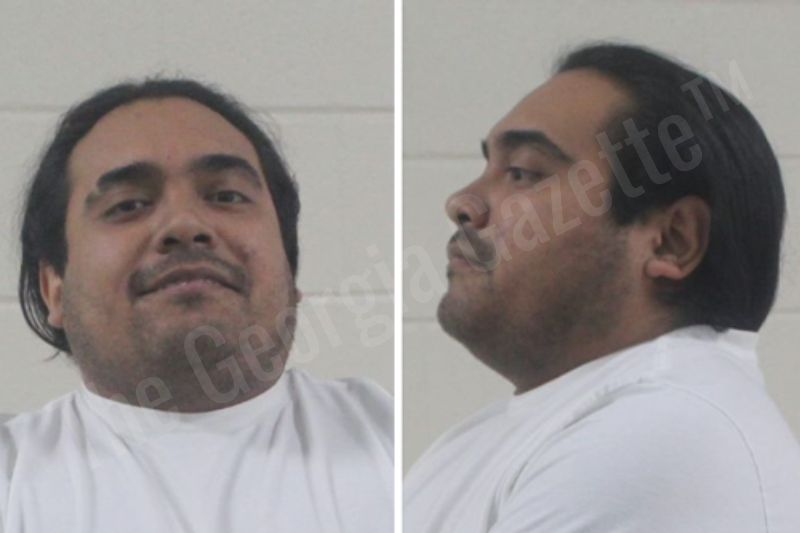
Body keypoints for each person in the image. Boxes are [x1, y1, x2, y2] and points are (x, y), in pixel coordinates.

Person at [405, 43, 800, 532]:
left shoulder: (661, 435)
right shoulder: (500, 437)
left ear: (672, 241)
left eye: (523, 173)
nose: (462, 203)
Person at [0, 79, 392, 532]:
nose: (185, 225)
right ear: (54, 288)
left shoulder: (386, 439)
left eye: (226, 196)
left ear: (290, 270)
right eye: (128, 205)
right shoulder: (13, 478)